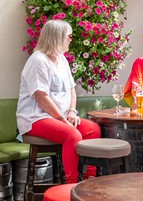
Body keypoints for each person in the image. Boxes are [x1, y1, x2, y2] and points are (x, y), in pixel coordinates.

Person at [16, 19, 101, 183]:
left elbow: (71, 89)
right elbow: (41, 96)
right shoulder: (38, 60)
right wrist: (62, 120)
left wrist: (71, 111)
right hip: (35, 118)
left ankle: (90, 180)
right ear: (57, 37)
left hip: (60, 116)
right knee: (72, 135)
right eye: (68, 36)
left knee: (93, 129)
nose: (71, 39)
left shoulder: (62, 59)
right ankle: (72, 185)